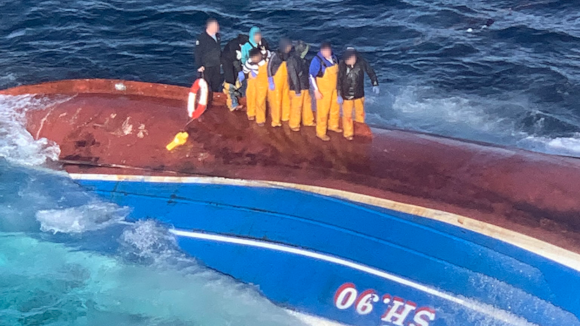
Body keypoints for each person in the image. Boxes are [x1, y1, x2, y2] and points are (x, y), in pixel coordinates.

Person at [337, 47, 379, 140]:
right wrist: (339, 94)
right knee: (347, 115)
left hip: (359, 94)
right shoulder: (342, 65)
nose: (348, 62)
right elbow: (338, 80)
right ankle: (348, 133)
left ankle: (360, 131)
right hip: (346, 95)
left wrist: (375, 83)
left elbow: (370, 72)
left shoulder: (362, 62)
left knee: (360, 114)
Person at [309, 42, 340, 141]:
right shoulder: (317, 61)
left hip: (334, 89)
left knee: (335, 108)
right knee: (323, 111)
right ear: (321, 51)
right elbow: (311, 76)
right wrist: (316, 91)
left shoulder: (334, 58)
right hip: (323, 91)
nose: (327, 53)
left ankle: (333, 126)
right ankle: (320, 132)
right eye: (325, 51)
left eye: (329, 51)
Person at [286, 40, 315, 131]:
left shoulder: (304, 60)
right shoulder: (292, 60)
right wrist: (297, 90)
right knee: (296, 106)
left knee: (307, 104)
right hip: (296, 88)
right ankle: (294, 124)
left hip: (305, 86)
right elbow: (293, 75)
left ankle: (308, 121)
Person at [239, 48, 269, 125]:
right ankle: (251, 113)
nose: (254, 60)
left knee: (260, 99)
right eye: (252, 58)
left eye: (255, 58)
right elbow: (245, 70)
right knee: (251, 95)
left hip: (263, 80)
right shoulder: (249, 62)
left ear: (259, 55)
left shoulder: (266, 56)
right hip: (252, 79)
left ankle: (260, 119)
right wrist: (245, 74)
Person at [267, 38, 292, 127]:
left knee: (286, 98)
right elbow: (269, 67)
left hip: (285, 80)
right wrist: (270, 80)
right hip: (276, 80)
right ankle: (276, 121)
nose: (290, 48)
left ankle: (285, 116)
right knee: (276, 101)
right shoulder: (275, 55)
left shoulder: (289, 55)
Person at [221, 34, 249, 111]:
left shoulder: (244, 45)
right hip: (227, 62)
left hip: (236, 61)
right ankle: (232, 104)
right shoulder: (234, 46)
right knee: (230, 80)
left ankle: (236, 93)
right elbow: (235, 61)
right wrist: (240, 71)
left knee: (236, 79)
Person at [194, 18, 222, 92]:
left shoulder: (218, 36)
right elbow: (197, 53)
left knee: (216, 84)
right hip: (206, 67)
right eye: (216, 26)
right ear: (210, 27)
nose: (218, 27)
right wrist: (199, 65)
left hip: (216, 65)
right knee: (205, 86)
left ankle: (214, 98)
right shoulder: (202, 38)